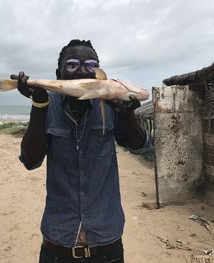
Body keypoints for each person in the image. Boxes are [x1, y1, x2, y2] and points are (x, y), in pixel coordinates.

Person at [12, 39, 150, 262]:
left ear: (99, 73)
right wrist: (39, 105)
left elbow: (140, 146)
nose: (82, 71)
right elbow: (30, 159)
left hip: (107, 244)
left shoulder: (110, 103)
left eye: (90, 65)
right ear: (59, 72)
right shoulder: (48, 104)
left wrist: (126, 114)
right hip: (58, 245)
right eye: (73, 65)